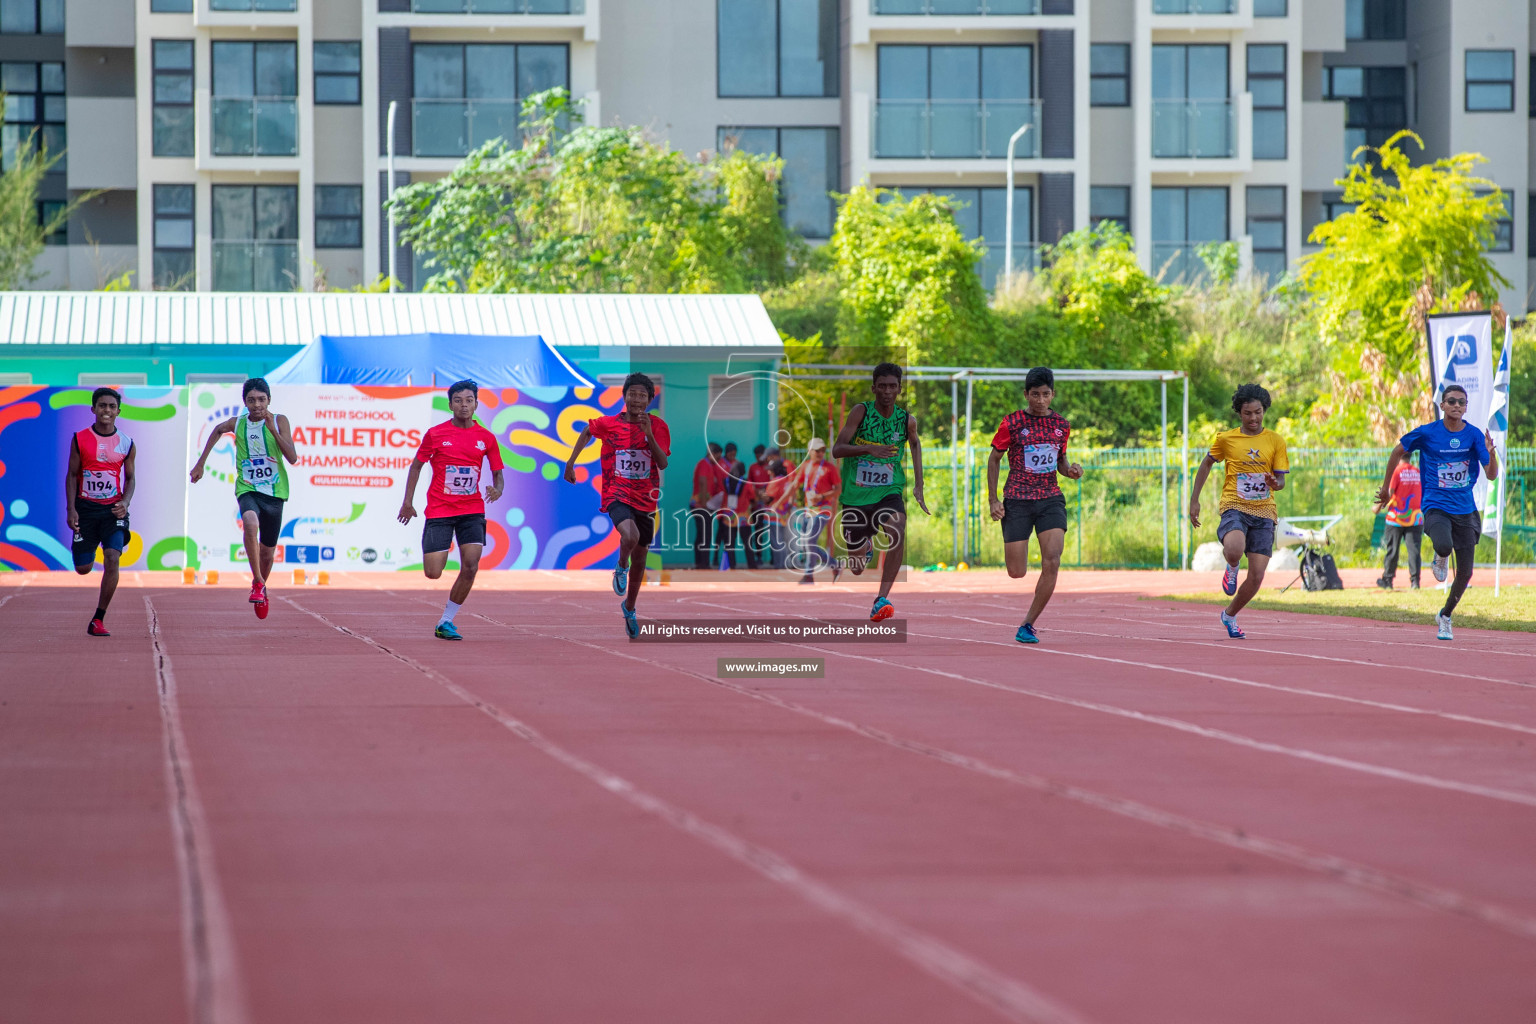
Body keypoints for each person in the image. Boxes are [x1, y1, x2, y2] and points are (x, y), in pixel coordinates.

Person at [1376, 383, 1499, 641]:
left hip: (1465, 509)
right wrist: (1386, 489)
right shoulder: (1428, 433)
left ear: (1466, 407)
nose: (1456, 406)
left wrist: (1490, 454)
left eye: (1461, 402)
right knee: (1443, 544)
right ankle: (1440, 555)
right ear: (1442, 405)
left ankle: (1445, 615)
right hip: (1435, 505)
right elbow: (1398, 450)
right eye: (1451, 401)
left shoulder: (1475, 436)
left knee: (1465, 573)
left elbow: (1491, 475)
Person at [564, 372, 671, 638]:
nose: (636, 399)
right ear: (624, 396)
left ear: (649, 399)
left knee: (642, 558)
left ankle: (630, 607)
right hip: (617, 492)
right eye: (632, 394)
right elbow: (588, 430)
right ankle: (621, 565)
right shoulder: (609, 424)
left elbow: (663, 462)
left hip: (646, 498)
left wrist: (648, 435)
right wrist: (571, 461)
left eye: (642, 395)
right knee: (629, 535)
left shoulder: (657, 426)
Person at [396, 379, 505, 641]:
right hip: (440, 509)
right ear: (450, 404)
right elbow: (416, 466)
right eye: (458, 400)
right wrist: (407, 502)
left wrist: (497, 489)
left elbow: (498, 473)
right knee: (433, 572)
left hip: (472, 510)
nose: (464, 405)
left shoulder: (486, 438)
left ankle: (446, 620)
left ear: (477, 404)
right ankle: (437, 548)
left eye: (469, 400)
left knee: (471, 565)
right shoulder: (436, 434)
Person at [986, 367, 1083, 644]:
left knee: (1052, 560)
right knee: (1017, 571)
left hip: (1050, 498)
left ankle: (1027, 624)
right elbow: (994, 459)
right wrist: (993, 499)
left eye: (1045, 394)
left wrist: (1071, 470)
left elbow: (1060, 461)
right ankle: (1018, 554)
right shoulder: (1012, 422)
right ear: (1026, 394)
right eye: (1035, 395)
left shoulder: (1062, 425)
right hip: (1017, 499)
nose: (1040, 400)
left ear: (1053, 394)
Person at [189, 377, 298, 620]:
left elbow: (292, 457)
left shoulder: (279, 421)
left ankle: (261, 587)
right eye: (251, 400)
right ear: (245, 403)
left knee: (267, 552)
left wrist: (272, 430)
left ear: (269, 400)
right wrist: (201, 463)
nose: (257, 404)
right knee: (249, 523)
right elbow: (217, 429)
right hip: (247, 487)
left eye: (261, 399)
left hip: (275, 493)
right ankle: (258, 582)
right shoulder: (238, 424)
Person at [1188, 383, 1289, 639]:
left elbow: (1281, 480)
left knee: (1256, 576)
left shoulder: (1276, 441)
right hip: (1235, 505)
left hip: (1264, 511)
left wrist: (1275, 483)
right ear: (1239, 413)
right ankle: (1231, 566)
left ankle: (1229, 615)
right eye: (1247, 413)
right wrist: (1194, 500)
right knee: (1234, 549)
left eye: (1258, 412)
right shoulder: (1226, 439)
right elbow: (1207, 463)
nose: (1253, 418)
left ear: (1264, 410)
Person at [831, 362, 930, 621]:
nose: (887, 391)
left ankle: (882, 598)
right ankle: (863, 545)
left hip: (889, 489)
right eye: (882, 386)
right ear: (874, 387)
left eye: (892, 386)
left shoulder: (906, 420)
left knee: (898, 527)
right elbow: (837, 449)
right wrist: (869, 449)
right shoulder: (860, 412)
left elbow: (916, 446)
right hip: (855, 496)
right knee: (856, 568)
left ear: (899, 389)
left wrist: (919, 485)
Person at [66, 387, 136, 637]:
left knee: (112, 558)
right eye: (102, 405)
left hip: (113, 512)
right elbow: (72, 475)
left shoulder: (127, 443)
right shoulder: (80, 439)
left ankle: (98, 618)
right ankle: (87, 544)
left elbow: (130, 479)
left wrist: (125, 503)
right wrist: (71, 509)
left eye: (112, 406)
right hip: (85, 510)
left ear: (118, 411)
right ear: (93, 409)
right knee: (83, 568)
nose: (107, 410)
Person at [795, 438, 842, 584]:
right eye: (817, 450)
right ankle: (834, 564)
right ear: (810, 451)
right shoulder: (806, 466)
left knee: (809, 540)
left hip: (823, 509)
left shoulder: (829, 468)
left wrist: (821, 496)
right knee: (805, 543)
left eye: (823, 450)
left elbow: (838, 490)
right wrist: (779, 502)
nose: (821, 453)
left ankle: (809, 575)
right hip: (808, 510)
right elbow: (794, 485)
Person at [1377, 450, 1423, 590]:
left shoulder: (1396, 472)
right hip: (1415, 517)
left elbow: (1389, 493)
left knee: (1392, 550)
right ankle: (1415, 582)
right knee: (1414, 550)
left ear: (1398, 457)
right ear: (1410, 457)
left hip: (1396, 517)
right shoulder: (1417, 472)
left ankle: (1388, 580)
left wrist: (1378, 507)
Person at [690, 442, 725, 569]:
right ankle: (703, 563)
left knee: (702, 534)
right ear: (712, 454)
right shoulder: (704, 464)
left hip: (704, 504)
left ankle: (700, 562)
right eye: (718, 457)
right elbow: (702, 482)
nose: (719, 460)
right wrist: (704, 504)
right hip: (701, 505)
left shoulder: (709, 465)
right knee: (706, 534)